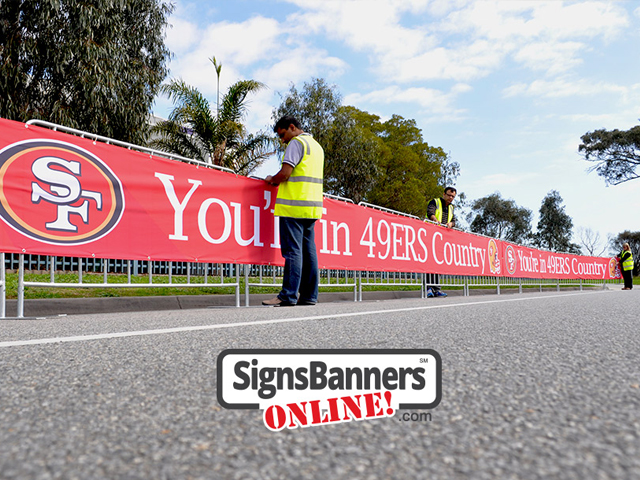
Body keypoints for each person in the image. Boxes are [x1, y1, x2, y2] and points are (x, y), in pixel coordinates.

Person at [262, 116, 324, 306]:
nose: (282, 140)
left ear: (292, 127)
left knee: (293, 252)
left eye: (283, 134)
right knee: (309, 252)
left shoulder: (296, 143)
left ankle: (288, 295)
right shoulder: (317, 146)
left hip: (294, 206)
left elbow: (286, 173)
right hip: (312, 207)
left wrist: (272, 178)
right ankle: (309, 296)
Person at [425, 186, 457, 298]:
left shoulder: (452, 207)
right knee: (429, 264)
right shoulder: (435, 202)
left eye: (453, 196)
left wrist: (450, 224)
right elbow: (430, 213)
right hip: (429, 235)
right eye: (448, 195)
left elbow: (453, 221)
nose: (450, 198)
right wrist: (435, 220)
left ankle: (437, 289)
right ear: (444, 194)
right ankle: (428, 288)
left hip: (441, 239)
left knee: (437, 264)